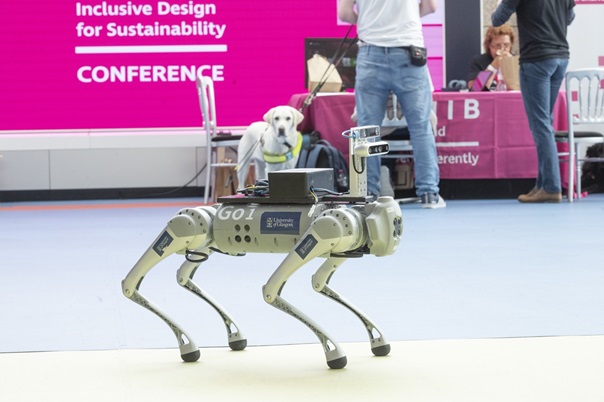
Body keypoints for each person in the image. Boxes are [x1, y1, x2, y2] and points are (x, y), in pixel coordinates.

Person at [337, 0, 445, 208]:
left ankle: (369, 193)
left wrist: (369, 23)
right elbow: (431, 7)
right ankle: (429, 194)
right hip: (409, 51)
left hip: (370, 53)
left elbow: (344, 13)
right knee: (421, 128)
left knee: (367, 130)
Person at [492, 0, 575, 203]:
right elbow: (570, 17)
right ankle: (542, 184)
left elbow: (497, 19)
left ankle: (551, 187)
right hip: (561, 57)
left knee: (540, 125)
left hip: (537, 58)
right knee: (545, 122)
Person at [467, 24, 516, 91]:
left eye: (506, 45)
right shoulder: (479, 61)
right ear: (489, 46)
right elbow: (474, 89)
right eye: (497, 45)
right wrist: (494, 65)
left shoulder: (518, 62)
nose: (502, 49)